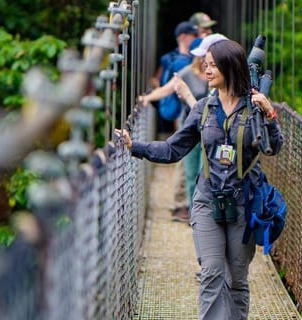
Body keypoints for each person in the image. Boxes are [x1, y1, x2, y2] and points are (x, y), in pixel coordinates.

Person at [116, 40, 282, 320]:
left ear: (230, 67)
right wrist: (136, 147)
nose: (207, 69)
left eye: (213, 65)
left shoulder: (253, 109)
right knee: (212, 272)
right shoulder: (204, 109)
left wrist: (269, 114)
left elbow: (273, 147)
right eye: (206, 64)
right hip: (207, 201)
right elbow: (173, 149)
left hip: (244, 203)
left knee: (236, 279)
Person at [138, 34, 230, 222]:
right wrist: (148, 98)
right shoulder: (187, 73)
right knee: (191, 172)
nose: (204, 61)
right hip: (191, 127)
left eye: (209, 57)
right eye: (203, 57)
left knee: (207, 173)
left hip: (213, 132)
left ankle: (209, 215)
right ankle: (194, 213)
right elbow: (167, 89)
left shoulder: (224, 80)